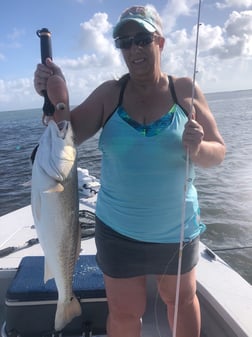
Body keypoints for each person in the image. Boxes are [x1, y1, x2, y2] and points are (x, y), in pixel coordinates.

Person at [34, 5, 225, 337]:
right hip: (119, 231)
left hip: (176, 230)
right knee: (124, 314)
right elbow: (65, 137)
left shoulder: (185, 92)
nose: (134, 48)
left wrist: (198, 148)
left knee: (181, 301)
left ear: (160, 42)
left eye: (142, 38)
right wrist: (55, 100)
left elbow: (217, 154)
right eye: (124, 41)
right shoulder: (111, 94)